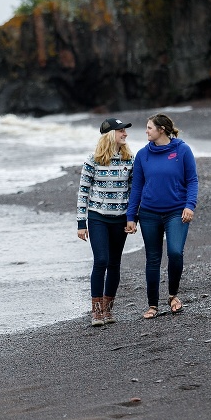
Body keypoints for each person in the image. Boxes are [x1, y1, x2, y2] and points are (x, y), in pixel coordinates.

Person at [125, 113, 198, 319]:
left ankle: (173, 295)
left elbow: (192, 180)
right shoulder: (142, 155)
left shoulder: (182, 150)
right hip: (148, 213)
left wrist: (189, 205)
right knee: (153, 259)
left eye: (149, 128)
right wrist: (131, 217)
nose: (146, 131)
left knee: (175, 252)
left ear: (161, 130)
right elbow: (137, 188)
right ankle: (152, 306)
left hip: (176, 211)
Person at [77, 118, 135, 326]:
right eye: (121, 131)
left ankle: (108, 309)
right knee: (101, 260)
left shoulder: (129, 159)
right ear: (111, 134)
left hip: (120, 218)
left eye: (125, 131)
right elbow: (83, 193)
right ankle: (96, 311)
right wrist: (81, 223)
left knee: (114, 263)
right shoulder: (92, 160)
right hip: (97, 217)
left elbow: (133, 191)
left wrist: (132, 218)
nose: (125, 134)